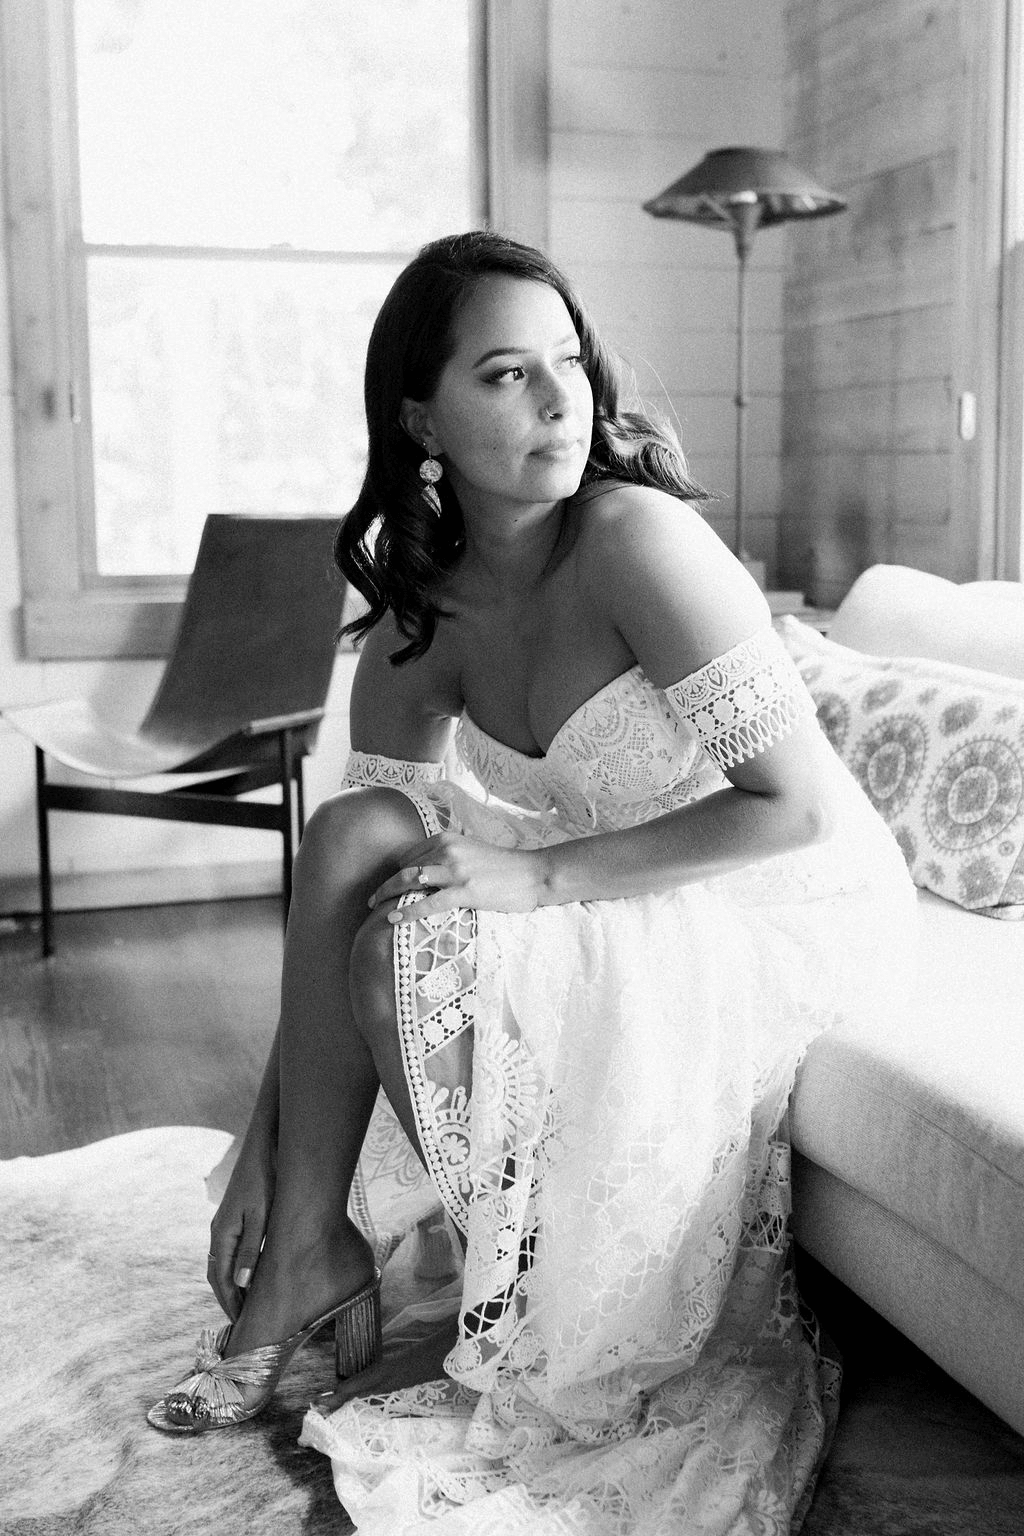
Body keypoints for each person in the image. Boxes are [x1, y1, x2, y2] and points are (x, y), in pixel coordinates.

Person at [149, 230, 915, 1534]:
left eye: (569, 363)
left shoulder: (632, 540)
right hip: (616, 888)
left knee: (419, 905)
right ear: (421, 416)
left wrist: (537, 874)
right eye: (508, 374)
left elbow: (792, 812)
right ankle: (308, 1244)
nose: (562, 402)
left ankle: (447, 1276)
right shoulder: (426, 606)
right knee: (360, 849)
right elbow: (332, 890)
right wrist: (265, 1147)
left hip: (771, 896)